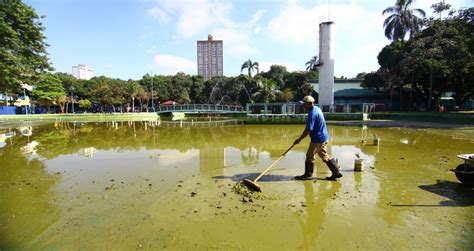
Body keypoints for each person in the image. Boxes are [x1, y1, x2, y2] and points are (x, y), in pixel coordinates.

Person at [293, 95, 342, 181]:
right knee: (323, 154)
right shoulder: (317, 109)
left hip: (317, 139)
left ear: (310, 103)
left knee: (309, 156)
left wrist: (299, 139)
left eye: (305, 104)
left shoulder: (312, 114)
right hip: (324, 137)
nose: (303, 106)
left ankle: (308, 174)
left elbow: (308, 129)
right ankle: (336, 171)